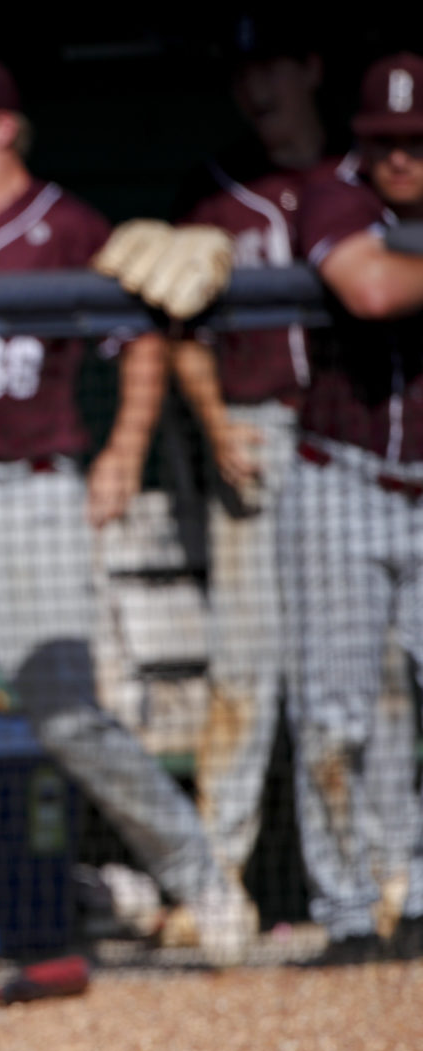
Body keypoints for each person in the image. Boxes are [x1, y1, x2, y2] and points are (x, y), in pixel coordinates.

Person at [0, 52, 249, 985]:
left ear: (1, 127)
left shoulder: (65, 225)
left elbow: (137, 338)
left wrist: (124, 450)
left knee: (67, 719)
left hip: (27, 490)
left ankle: (203, 881)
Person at [165, 24, 418, 936]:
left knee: (387, 691)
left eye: (271, 64)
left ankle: (398, 887)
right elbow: (181, 330)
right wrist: (213, 419)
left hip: (383, 455)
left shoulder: (362, 175)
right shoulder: (243, 190)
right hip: (293, 448)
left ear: (310, 66)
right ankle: (236, 887)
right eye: (242, 73)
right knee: (269, 678)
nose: (256, 88)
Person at [280, 51, 423, 963]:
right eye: (384, 142)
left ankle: (419, 899)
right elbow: (370, 287)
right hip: (342, 479)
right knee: (334, 714)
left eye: (417, 143)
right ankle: (343, 911)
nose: (398, 159)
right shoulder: (333, 190)